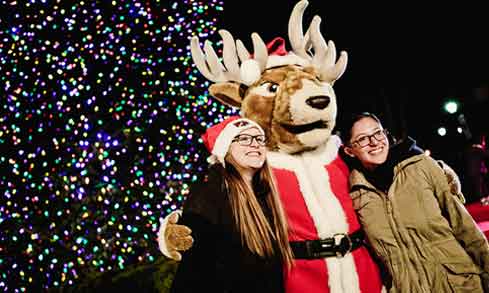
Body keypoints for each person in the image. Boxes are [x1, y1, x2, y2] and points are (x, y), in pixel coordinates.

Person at [342, 112, 489, 292]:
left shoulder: (421, 167)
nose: (374, 142)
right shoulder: (356, 194)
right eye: (363, 139)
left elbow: (466, 230)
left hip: (458, 286)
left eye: (377, 133)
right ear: (349, 150)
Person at [169, 116, 294, 293]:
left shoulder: (268, 195)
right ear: (226, 148)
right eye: (244, 138)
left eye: (259, 138)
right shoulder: (209, 192)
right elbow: (193, 269)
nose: (255, 144)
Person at [462, 132, 489, 205]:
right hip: (475, 171)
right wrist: (480, 147)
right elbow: (486, 154)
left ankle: (484, 198)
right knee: (479, 185)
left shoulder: (470, 149)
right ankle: (483, 199)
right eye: (483, 141)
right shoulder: (477, 149)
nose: (484, 143)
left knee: (481, 185)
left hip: (473, 171)